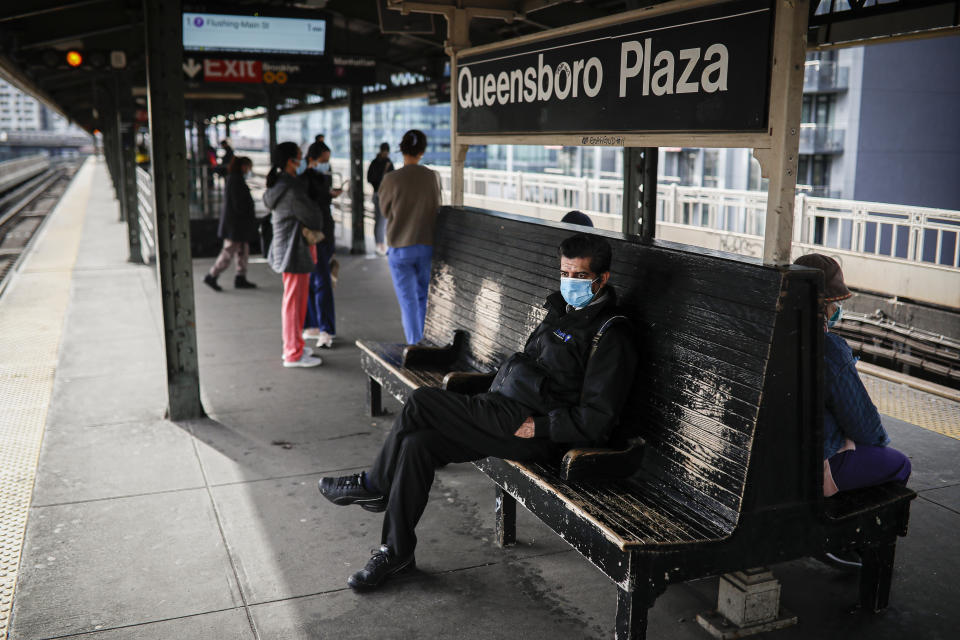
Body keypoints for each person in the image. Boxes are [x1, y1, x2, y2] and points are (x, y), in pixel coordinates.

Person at [318, 233, 637, 590]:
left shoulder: (611, 335)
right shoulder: (561, 312)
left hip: (537, 432)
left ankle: (374, 485)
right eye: (565, 273)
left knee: (424, 401)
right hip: (502, 408)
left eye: (579, 276)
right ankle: (395, 553)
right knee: (418, 444)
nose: (569, 282)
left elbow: (598, 418)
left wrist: (543, 428)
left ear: (602, 279)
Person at [793, 254, 911, 497]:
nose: (837, 310)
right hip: (815, 463)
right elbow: (866, 429)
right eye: (834, 304)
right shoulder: (829, 348)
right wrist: (877, 440)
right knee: (900, 463)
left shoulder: (777, 334)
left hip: (778, 453)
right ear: (823, 306)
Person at [376, 129, 442, 344]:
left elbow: (385, 211)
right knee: (423, 298)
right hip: (426, 244)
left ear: (401, 149)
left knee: (408, 301)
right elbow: (436, 206)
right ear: (422, 151)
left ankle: (415, 344)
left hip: (400, 246)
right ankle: (424, 340)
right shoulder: (432, 176)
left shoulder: (391, 179)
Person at [263, 141, 325, 368]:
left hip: (287, 248)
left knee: (294, 302)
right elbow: (313, 217)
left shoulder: (279, 184)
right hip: (293, 250)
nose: (302, 161)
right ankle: (292, 353)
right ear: (291, 161)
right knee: (294, 304)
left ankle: (295, 345)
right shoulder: (292, 187)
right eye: (299, 157)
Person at [300, 141, 342, 349]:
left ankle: (318, 326)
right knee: (319, 281)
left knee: (317, 281)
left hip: (318, 236)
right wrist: (328, 194)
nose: (327, 165)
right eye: (324, 161)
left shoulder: (313, 179)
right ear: (312, 159)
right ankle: (320, 327)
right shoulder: (308, 180)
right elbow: (316, 204)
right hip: (316, 236)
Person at [204, 156, 258, 291]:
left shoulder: (235, 179)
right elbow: (238, 204)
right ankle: (212, 275)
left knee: (242, 251)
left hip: (237, 225)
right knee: (229, 252)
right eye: (248, 166)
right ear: (242, 166)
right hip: (235, 225)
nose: (249, 169)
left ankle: (241, 277)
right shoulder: (235, 180)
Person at [367, 142, 395, 256]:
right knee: (381, 220)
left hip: (383, 194)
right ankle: (380, 244)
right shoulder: (378, 163)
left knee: (381, 219)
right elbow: (372, 178)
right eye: (385, 152)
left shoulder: (386, 163)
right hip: (379, 194)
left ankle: (380, 244)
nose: (386, 154)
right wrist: (384, 172)